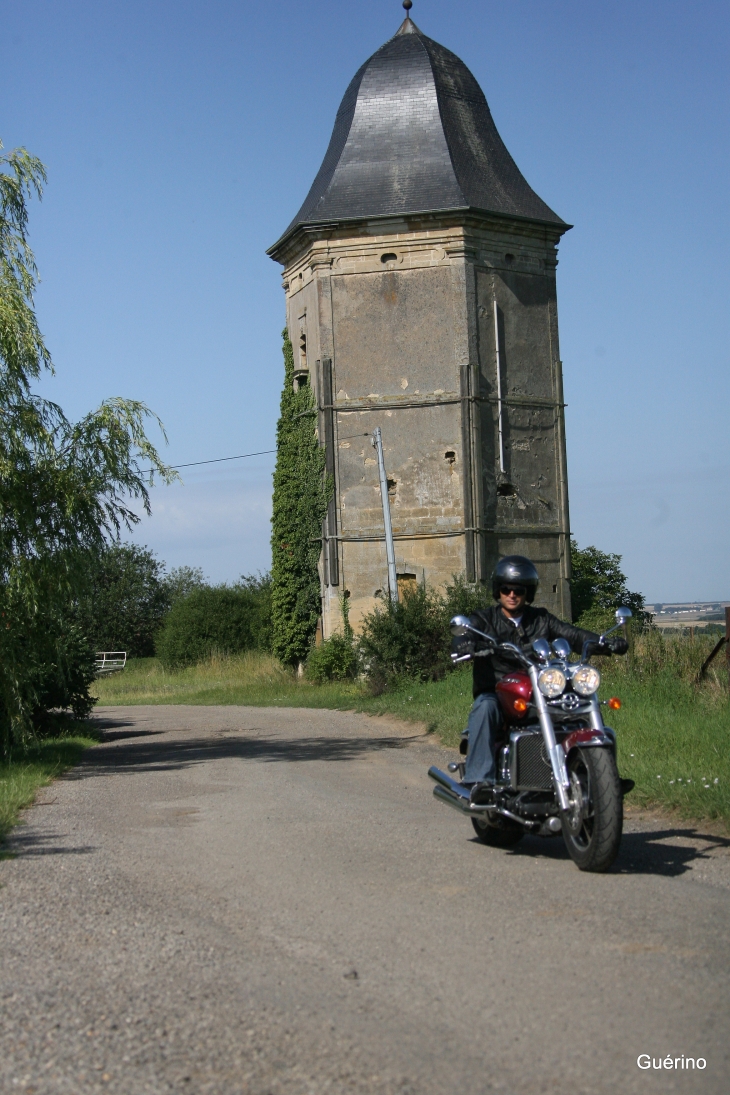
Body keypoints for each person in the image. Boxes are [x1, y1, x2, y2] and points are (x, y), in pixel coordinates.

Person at [457, 555, 627, 794]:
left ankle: (600, 777)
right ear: (498, 590)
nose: (512, 595)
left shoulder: (541, 619)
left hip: (540, 689)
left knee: (577, 707)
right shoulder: (484, 619)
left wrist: (604, 642)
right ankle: (478, 782)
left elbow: (572, 634)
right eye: (506, 589)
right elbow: (467, 633)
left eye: (519, 590)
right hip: (497, 690)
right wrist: (465, 643)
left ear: (528, 592)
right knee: (484, 708)